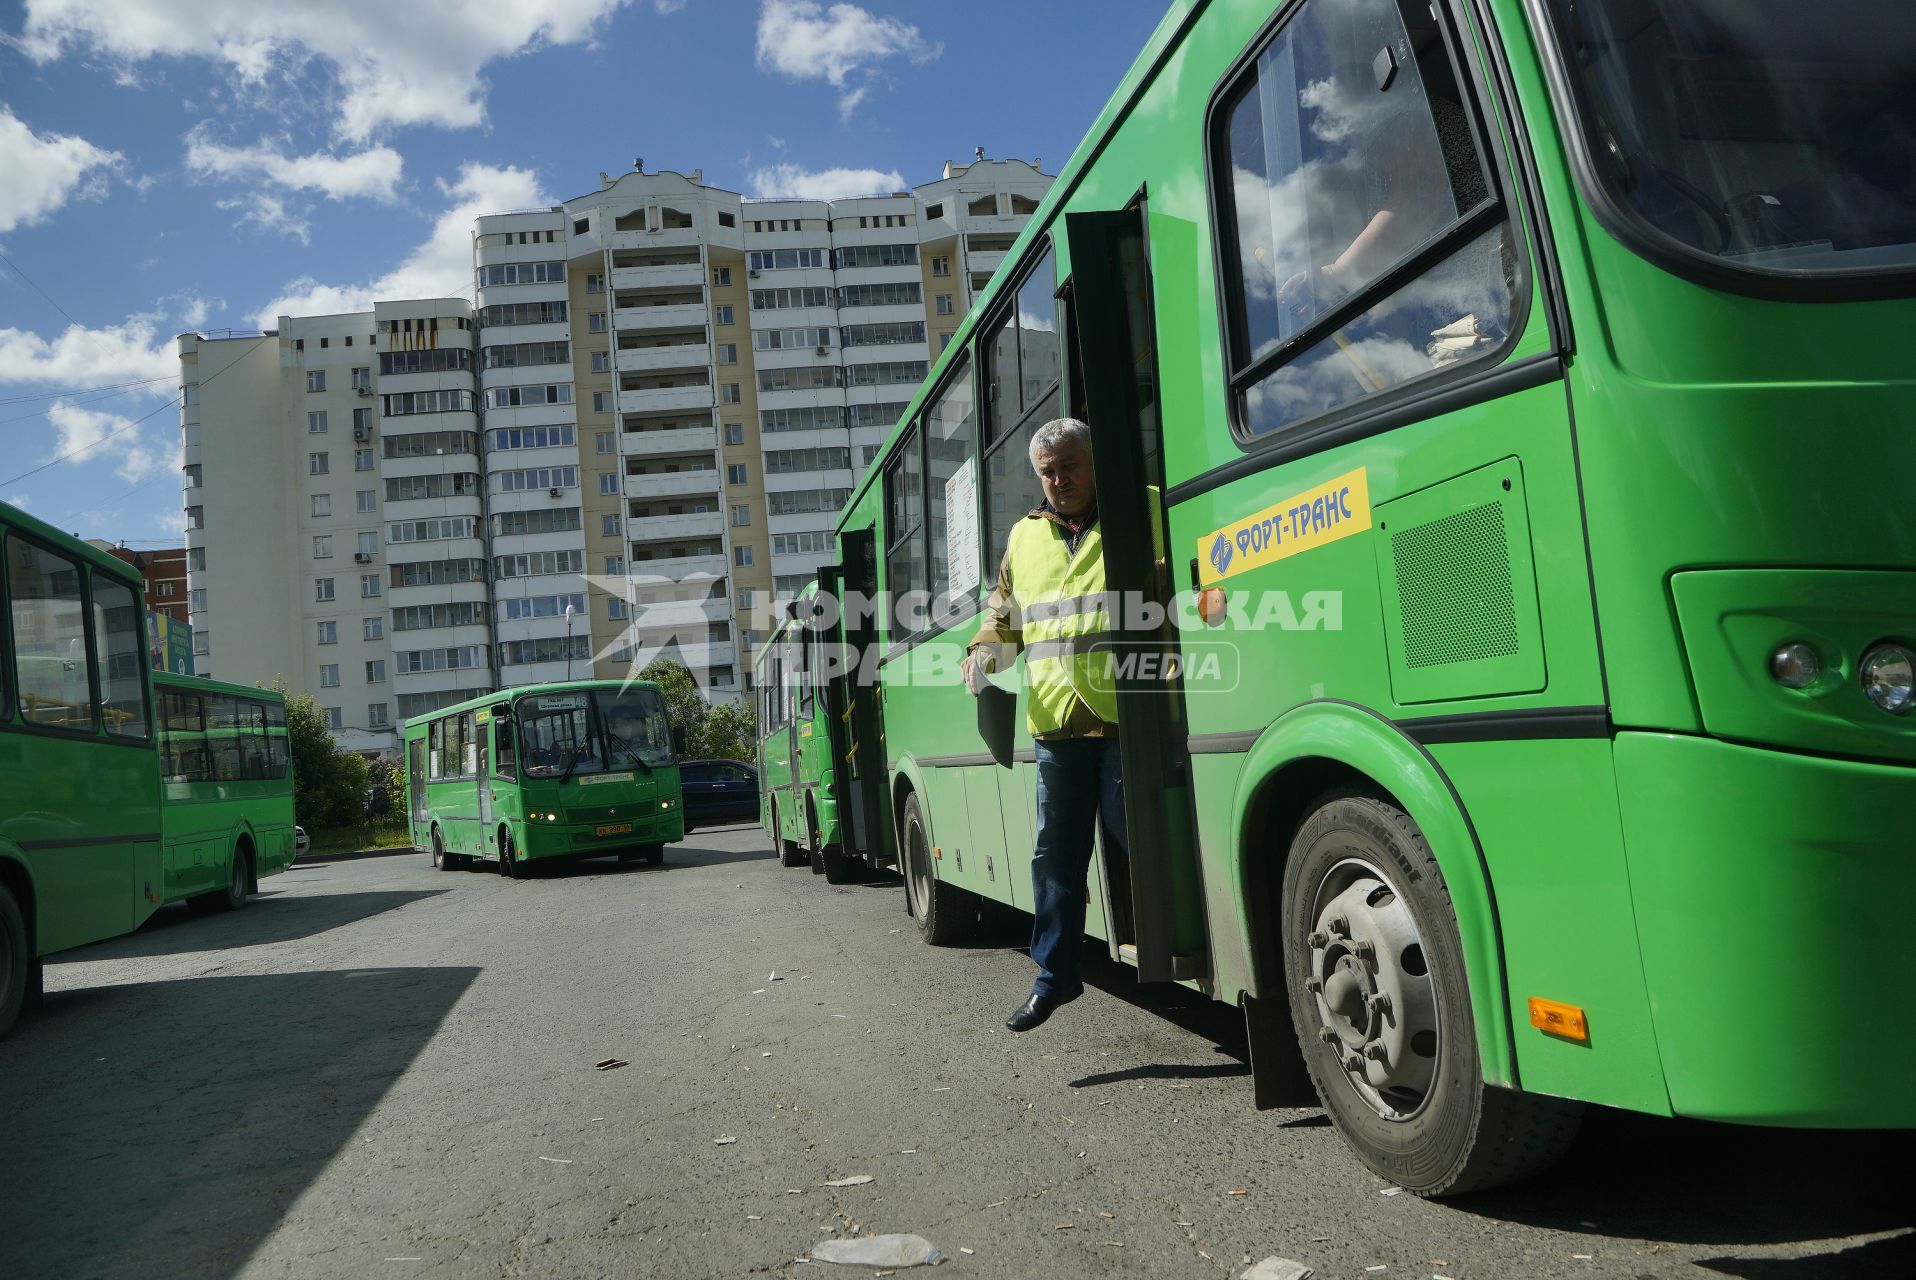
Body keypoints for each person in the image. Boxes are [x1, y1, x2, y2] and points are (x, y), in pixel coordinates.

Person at [960, 417, 1126, 1033]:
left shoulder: (1142, 509)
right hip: (1055, 724)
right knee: (1054, 860)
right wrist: (982, 654)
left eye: (1070, 466)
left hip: (1126, 717)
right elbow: (1004, 616)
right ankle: (1055, 979)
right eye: (1048, 472)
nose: (1060, 480)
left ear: (1091, 460)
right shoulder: (1023, 538)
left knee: (1138, 836)